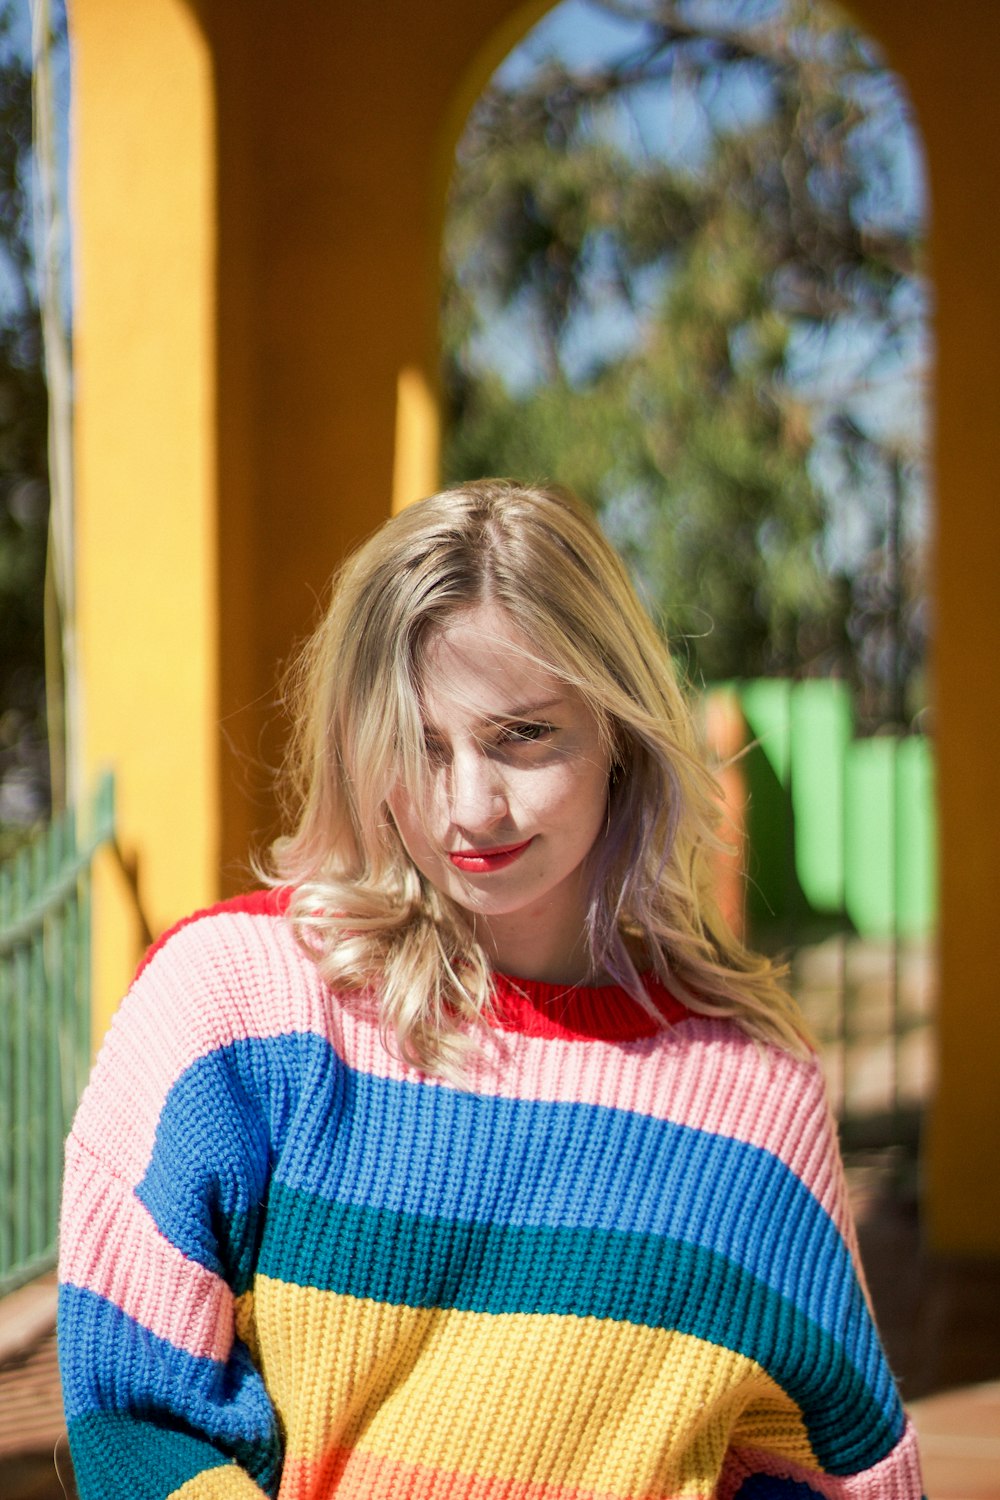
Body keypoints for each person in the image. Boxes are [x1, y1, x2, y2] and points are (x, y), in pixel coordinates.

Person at [57, 479, 924, 1499]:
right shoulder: (230, 1011)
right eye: (420, 746)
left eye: (523, 735)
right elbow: (134, 1414)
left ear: (620, 737)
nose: (472, 806)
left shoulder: (753, 1095)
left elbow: (831, 1472)